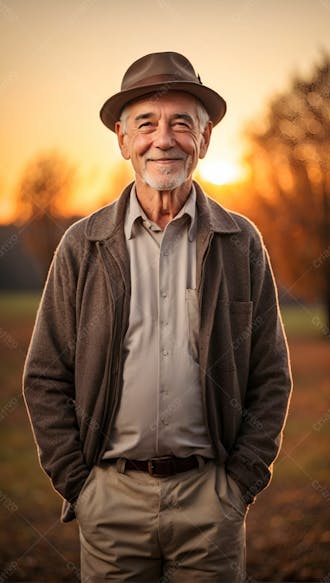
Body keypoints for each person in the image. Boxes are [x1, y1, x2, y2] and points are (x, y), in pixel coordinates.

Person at [23, 51, 292, 582]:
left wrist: (239, 484)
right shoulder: (82, 245)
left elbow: (272, 376)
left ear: (205, 139)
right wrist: (80, 486)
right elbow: (44, 377)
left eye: (181, 125)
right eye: (146, 124)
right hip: (110, 501)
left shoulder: (240, 244)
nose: (163, 139)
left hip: (210, 502)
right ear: (123, 139)